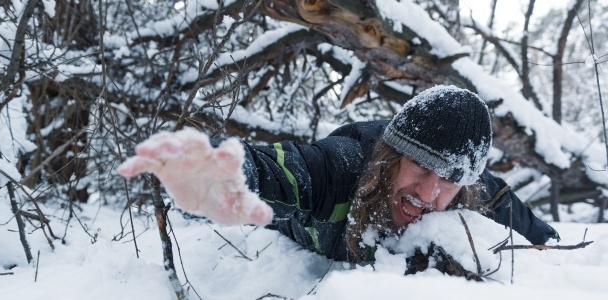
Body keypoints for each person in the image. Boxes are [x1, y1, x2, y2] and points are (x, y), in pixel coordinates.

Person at [118, 85, 559, 263]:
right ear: (393, 158)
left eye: (449, 181)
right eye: (422, 168)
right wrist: (224, 175)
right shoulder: (344, 166)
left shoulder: (477, 195)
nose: (429, 192)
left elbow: (547, 243)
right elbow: (283, 169)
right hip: (283, 220)